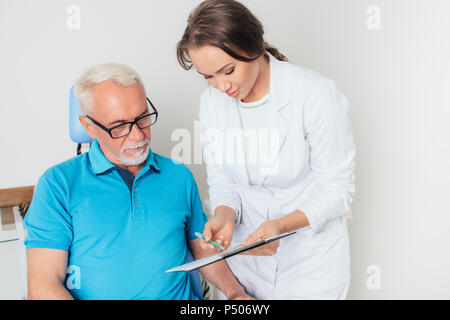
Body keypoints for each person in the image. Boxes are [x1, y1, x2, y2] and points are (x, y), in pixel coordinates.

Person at [23, 63, 251, 300]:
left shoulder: (178, 176)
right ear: (89, 127)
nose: (138, 135)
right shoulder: (58, 184)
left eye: (142, 118)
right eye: (120, 126)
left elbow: (202, 248)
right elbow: (43, 287)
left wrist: (235, 293)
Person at [177, 0, 356, 299]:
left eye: (228, 70)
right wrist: (225, 216)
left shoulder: (313, 94)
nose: (221, 86)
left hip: (310, 262)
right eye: (208, 76)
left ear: (253, 47)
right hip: (245, 261)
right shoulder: (212, 102)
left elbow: (337, 190)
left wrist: (282, 226)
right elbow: (223, 179)